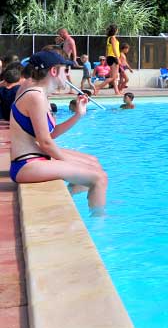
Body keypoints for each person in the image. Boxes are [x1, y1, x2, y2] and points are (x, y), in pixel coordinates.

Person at [8, 51, 108, 215]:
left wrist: (78, 115)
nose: (68, 75)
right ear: (54, 71)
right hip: (25, 165)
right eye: (65, 70)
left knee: (93, 163)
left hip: (34, 158)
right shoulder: (35, 96)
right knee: (99, 178)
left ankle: (73, 201)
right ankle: (99, 223)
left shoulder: (40, 94)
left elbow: (51, 134)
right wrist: (68, 162)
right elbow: (45, 142)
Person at [93, 24, 121, 96]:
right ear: (115, 30)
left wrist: (106, 58)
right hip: (114, 57)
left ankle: (117, 92)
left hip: (109, 57)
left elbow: (107, 49)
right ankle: (98, 87)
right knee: (113, 77)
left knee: (113, 77)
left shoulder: (109, 38)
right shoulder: (113, 38)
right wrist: (118, 58)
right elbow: (114, 49)